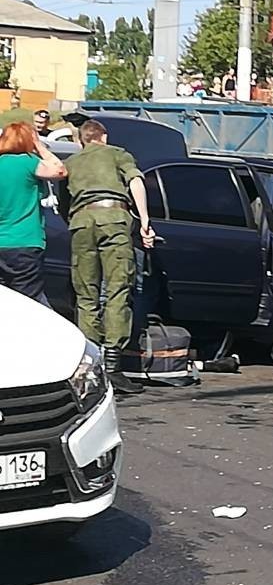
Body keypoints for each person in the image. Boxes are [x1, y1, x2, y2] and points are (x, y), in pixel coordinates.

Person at [64, 119, 156, 395]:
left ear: (82, 139)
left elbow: (61, 200)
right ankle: (113, 368)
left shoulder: (71, 162)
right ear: (102, 137)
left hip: (81, 222)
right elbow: (136, 181)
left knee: (86, 295)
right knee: (117, 291)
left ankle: (89, 368)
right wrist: (144, 221)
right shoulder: (117, 153)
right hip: (114, 218)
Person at [0, 121, 68, 303]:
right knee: (29, 302)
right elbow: (60, 170)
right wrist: (39, 146)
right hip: (24, 241)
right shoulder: (28, 162)